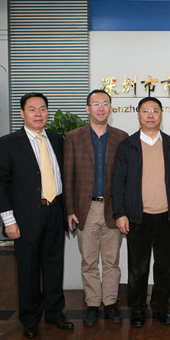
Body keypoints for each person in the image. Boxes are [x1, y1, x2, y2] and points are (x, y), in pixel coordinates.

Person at [0, 93, 74, 339]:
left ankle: (55, 313)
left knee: (54, 266)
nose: (38, 114)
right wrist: (9, 220)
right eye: (32, 109)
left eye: (43, 109)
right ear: (22, 113)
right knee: (28, 270)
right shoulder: (8, 143)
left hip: (55, 211)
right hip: (25, 217)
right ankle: (30, 319)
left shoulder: (57, 140)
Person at [112, 96, 170, 327]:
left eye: (155, 110)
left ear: (161, 115)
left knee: (164, 267)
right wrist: (120, 213)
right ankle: (137, 309)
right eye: (145, 110)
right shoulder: (127, 146)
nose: (150, 115)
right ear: (138, 115)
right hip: (137, 216)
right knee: (138, 268)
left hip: (167, 216)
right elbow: (118, 182)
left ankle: (161, 307)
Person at [63, 89, 128, 326]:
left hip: (112, 207)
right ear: (87, 108)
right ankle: (92, 303)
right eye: (96, 104)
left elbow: (126, 177)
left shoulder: (121, 137)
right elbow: (68, 176)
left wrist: (123, 210)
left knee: (111, 260)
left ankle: (110, 303)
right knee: (89, 261)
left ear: (111, 108)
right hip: (85, 208)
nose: (101, 108)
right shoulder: (73, 137)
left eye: (105, 103)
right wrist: (70, 209)